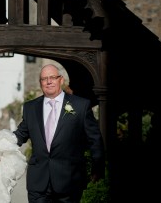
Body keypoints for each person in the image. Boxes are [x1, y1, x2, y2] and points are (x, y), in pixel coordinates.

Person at [14, 64, 105, 203]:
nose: (49, 81)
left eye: (52, 77)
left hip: (69, 182)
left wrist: (97, 169)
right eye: (44, 79)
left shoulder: (80, 106)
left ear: (61, 80)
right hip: (38, 184)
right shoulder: (30, 108)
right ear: (41, 83)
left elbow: (95, 139)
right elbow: (19, 135)